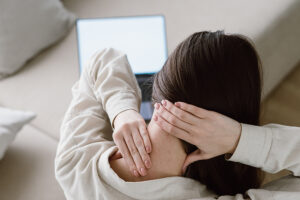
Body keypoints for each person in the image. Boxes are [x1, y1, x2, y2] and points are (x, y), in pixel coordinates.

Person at [55, 32, 300, 200]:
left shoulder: (74, 165)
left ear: (161, 83)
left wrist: (122, 112)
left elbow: (101, 59)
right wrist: (238, 139)